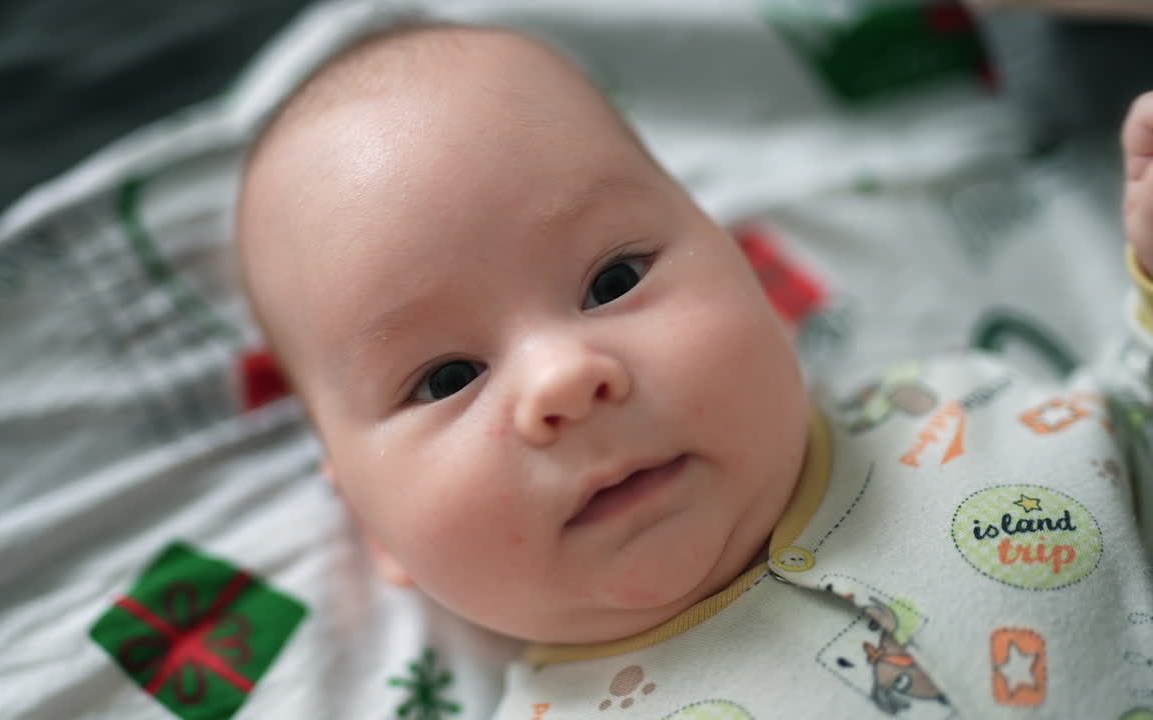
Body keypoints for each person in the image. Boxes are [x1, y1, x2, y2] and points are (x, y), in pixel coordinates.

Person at [236, 21, 1153, 718]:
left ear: (746, 272)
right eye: (445, 378)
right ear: (373, 526)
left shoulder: (953, 410)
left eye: (613, 280)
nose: (564, 376)